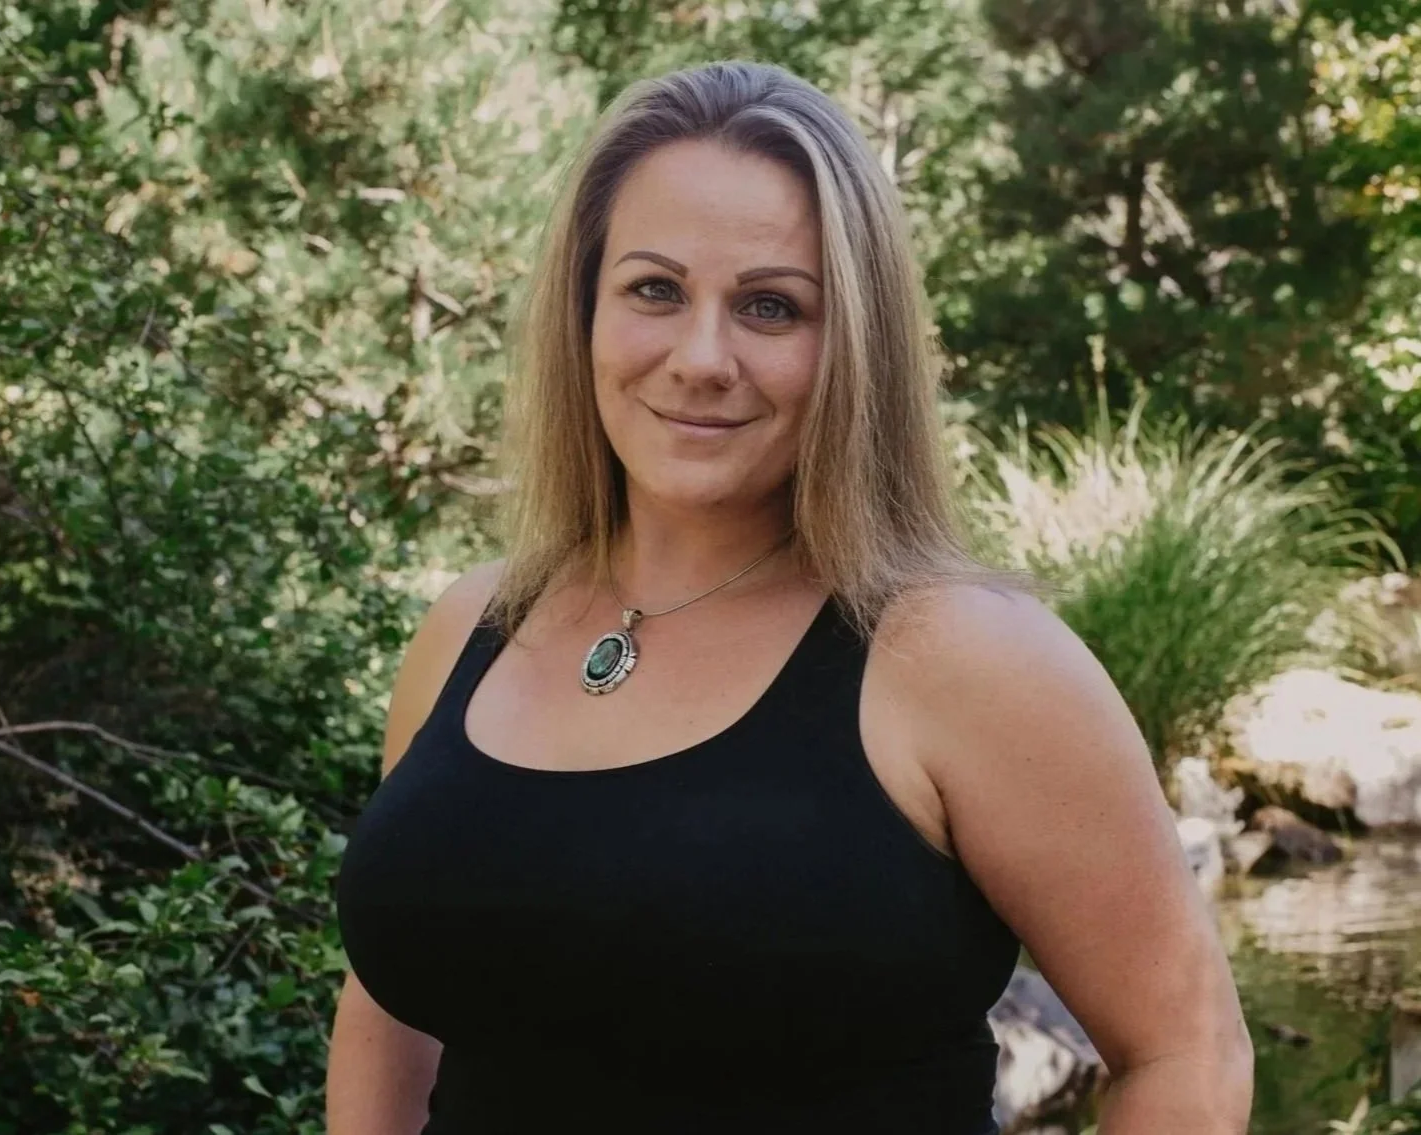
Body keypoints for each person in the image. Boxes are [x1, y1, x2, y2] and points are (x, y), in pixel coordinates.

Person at [328, 60, 1252, 1135]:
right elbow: (389, 1009)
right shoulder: (471, 628)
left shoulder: (960, 658)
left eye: (770, 306)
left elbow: (1184, 1048)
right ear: (581, 311)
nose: (701, 356)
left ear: (853, 343)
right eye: (654, 290)